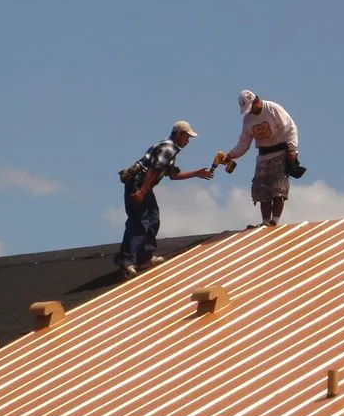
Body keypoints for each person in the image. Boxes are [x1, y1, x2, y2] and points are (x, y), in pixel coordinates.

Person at [114, 120, 213, 278]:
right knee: (139, 222)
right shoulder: (168, 148)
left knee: (153, 219)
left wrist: (196, 173)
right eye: (187, 137)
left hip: (144, 185)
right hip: (139, 183)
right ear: (179, 134)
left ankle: (144, 258)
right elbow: (153, 170)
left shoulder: (172, 150)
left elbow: (173, 175)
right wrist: (142, 191)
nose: (187, 141)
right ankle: (126, 261)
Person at [223, 89, 304, 227]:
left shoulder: (272, 109)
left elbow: (290, 128)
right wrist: (231, 155)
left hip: (279, 151)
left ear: (256, 101)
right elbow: (244, 142)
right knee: (261, 189)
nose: (249, 111)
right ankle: (265, 221)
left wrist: (292, 149)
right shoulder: (248, 120)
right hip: (263, 155)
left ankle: (275, 220)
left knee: (278, 188)